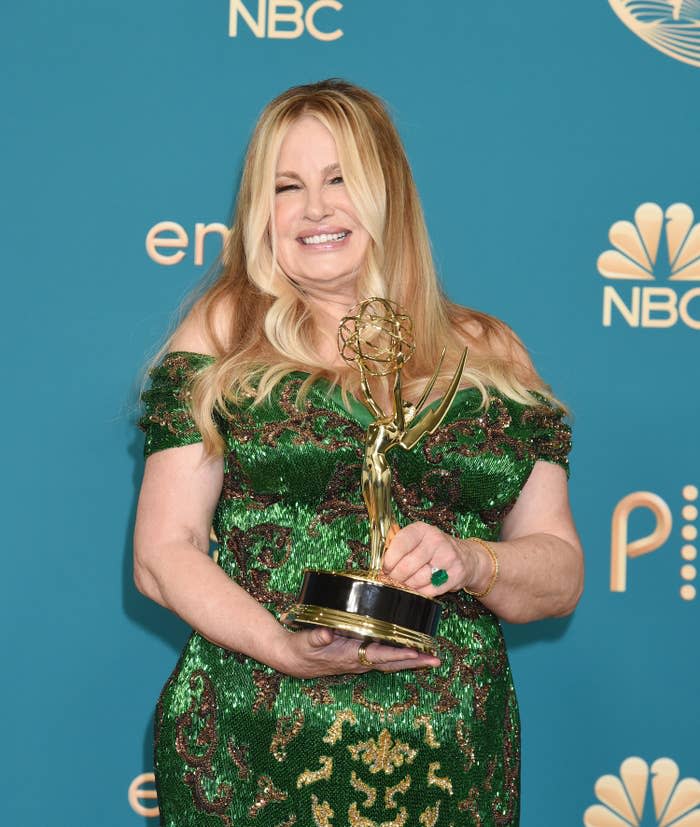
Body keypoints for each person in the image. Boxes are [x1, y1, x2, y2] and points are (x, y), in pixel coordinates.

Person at [133, 79, 584, 827]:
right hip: (254, 749)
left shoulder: (491, 353)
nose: (314, 208)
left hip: (450, 761)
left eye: (340, 178)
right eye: (287, 186)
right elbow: (162, 551)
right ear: (260, 213)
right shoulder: (222, 336)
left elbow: (559, 569)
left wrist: (472, 560)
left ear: (389, 193)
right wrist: (283, 646)